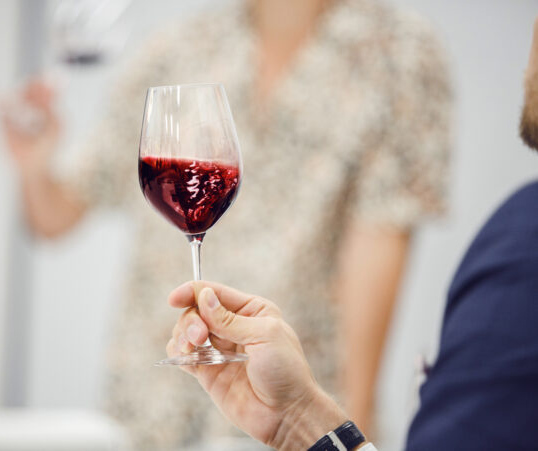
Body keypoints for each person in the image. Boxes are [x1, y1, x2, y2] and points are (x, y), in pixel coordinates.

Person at [1, 0, 452, 446]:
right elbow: (54, 217)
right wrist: (34, 165)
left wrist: (348, 432)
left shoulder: (396, 53)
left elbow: (380, 244)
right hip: (151, 404)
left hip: (281, 407)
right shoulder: (176, 47)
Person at [164, 15, 538, 450]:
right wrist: (299, 421)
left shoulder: (525, 248)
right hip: (185, 409)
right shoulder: (190, 36)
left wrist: (343, 411)